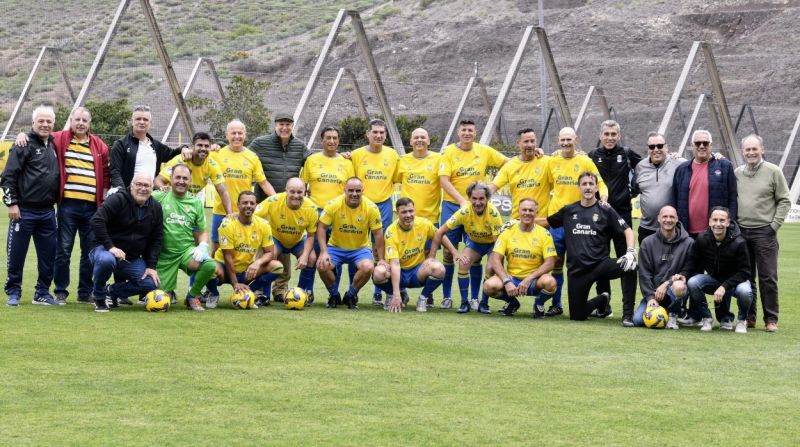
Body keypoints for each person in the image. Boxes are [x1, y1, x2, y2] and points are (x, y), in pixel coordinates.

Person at [14, 107, 111, 305]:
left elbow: (106, 176)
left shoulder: (99, 145)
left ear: (89, 123)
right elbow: (39, 133)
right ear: (71, 121)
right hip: (68, 205)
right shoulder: (59, 138)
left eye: (85, 120)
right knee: (64, 249)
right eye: (77, 119)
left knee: (88, 251)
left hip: (92, 207)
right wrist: (22, 133)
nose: (81, 123)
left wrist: (103, 201)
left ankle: (85, 292)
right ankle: (60, 291)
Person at [546, 172, 636, 322]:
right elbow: (548, 222)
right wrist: (520, 222)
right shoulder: (569, 210)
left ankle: (628, 315)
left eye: (591, 184)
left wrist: (631, 252)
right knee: (577, 316)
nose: (588, 187)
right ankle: (602, 299)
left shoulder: (605, 209)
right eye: (584, 184)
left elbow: (628, 230)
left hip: (601, 265)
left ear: (596, 188)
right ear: (579, 188)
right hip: (578, 271)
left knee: (631, 267)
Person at [538, 127, 608, 318]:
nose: (566, 143)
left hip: (580, 221)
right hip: (559, 221)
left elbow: (599, 182)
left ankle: (601, 301)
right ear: (558, 140)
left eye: (569, 139)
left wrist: (603, 199)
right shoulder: (552, 161)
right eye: (563, 140)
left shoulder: (585, 161)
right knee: (556, 263)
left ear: (575, 140)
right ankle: (557, 304)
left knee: (584, 263)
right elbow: (542, 182)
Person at [438, 119, 507, 309]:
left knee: (473, 256)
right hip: (454, 206)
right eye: (464, 130)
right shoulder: (449, 152)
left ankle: (475, 298)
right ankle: (446, 297)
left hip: (476, 208)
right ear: (458, 133)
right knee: (447, 252)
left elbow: (509, 164)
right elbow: (443, 180)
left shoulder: (484, 151)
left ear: (475, 133)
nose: (467, 133)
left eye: (470, 130)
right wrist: (461, 200)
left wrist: (492, 187)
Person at [2, 106, 60, 306]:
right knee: (17, 254)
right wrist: (12, 204)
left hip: (47, 212)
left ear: (53, 124)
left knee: (49, 256)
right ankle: (13, 292)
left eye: (48, 121)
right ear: (33, 123)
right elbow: (8, 177)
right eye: (41, 121)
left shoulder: (54, 144)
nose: (45, 124)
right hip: (24, 211)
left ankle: (42, 293)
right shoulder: (23, 144)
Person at [250, 112, 310, 303]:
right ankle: (260, 291)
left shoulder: (299, 146)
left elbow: (315, 163)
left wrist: (342, 157)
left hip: (291, 204)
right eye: (281, 124)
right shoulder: (260, 143)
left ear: (293, 126)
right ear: (275, 125)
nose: (284, 128)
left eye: (288, 125)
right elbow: (243, 154)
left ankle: (280, 289)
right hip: (265, 205)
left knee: (285, 245)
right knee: (269, 250)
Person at [734, 134, 790, 332]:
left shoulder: (773, 171)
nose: (751, 153)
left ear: (762, 150)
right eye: (747, 150)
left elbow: (784, 200)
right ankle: (749, 317)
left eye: (754, 149)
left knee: (768, 278)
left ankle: (771, 319)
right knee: (746, 278)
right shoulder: (738, 172)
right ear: (743, 152)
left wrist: (773, 226)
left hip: (764, 232)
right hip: (742, 232)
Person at [88, 174, 162, 312]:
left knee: (150, 283)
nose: (142, 188)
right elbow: (96, 220)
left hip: (130, 258)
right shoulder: (118, 199)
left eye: (146, 185)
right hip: (104, 250)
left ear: (152, 188)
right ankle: (99, 297)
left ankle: (110, 291)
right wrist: (111, 247)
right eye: (139, 184)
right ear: (131, 185)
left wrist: (151, 266)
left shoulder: (156, 208)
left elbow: (156, 239)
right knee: (106, 260)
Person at [588, 120, 642, 304]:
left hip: (622, 214)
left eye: (613, 134)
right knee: (599, 260)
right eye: (607, 134)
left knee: (627, 260)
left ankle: (628, 307)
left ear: (618, 136)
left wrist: (633, 190)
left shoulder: (626, 154)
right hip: (599, 216)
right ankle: (604, 303)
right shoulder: (592, 155)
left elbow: (646, 167)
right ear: (600, 136)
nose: (610, 138)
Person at [430, 181, 503, 313]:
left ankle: (483, 303)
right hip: (475, 242)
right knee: (463, 263)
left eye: (481, 198)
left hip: (492, 244)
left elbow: (498, 244)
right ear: (469, 198)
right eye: (474, 198)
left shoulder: (493, 214)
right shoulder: (463, 212)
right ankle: (464, 303)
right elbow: (439, 232)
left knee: (491, 267)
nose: (478, 202)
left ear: (487, 198)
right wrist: (435, 257)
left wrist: (498, 264)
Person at [152, 164, 217, 311]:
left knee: (210, 265)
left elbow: (202, 231)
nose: (181, 181)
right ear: (171, 179)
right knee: (162, 302)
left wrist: (202, 246)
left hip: (185, 252)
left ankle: (192, 297)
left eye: (185, 178)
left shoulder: (195, 203)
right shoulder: (158, 197)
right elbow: (137, 198)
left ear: (190, 181)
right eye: (178, 177)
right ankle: (167, 291)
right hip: (164, 256)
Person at [350, 119, 400, 306]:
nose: (378, 136)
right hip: (360, 205)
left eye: (382, 133)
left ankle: (381, 291)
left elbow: (396, 179)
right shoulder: (356, 155)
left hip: (384, 205)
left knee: (382, 248)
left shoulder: (393, 154)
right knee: (356, 246)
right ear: (367, 134)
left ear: (386, 135)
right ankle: (352, 291)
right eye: (375, 132)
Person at [372, 198, 453, 313]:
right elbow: (395, 264)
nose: (408, 215)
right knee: (378, 272)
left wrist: (449, 253)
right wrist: (396, 294)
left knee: (439, 269)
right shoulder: (391, 232)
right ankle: (392, 296)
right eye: (404, 212)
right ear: (397, 213)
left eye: (411, 211)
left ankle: (423, 298)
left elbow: (439, 234)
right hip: (399, 273)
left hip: (417, 272)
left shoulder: (423, 224)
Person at [208, 120, 276, 255]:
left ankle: (239, 276)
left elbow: (263, 182)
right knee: (216, 249)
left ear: (245, 135)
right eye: (233, 133)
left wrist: (278, 199)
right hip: (221, 211)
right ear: (227, 135)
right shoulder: (216, 154)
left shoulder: (252, 157)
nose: (237, 136)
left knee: (241, 250)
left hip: (244, 213)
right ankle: (216, 276)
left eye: (240, 133)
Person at [205, 191, 283, 307]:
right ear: (238, 205)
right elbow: (228, 257)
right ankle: (213, 293)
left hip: (246, 270)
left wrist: (258, 263)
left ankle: (248, 292)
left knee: (277, 266)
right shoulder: (227, 224)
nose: (249, 206)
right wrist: (235, 283)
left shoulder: (263, 225)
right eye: (245, 202)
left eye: (252, 203)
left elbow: (270, 253)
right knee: (208, 267)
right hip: (224, 268)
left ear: (256, 205)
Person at [316, 177, 384, 310]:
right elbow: (321, 227)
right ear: (344, 190)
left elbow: (378, 234)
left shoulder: (371, 208)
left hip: (360, 249)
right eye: (351, 190)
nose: (354, 194)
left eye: (358, 191)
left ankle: (351, 295)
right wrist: (323, 252)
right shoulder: (333, 204)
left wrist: (381, 259)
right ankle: (334, 295)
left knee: (368, 267)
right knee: (322, 264)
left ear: (363, 191)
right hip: (336, 247)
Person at [681, 207, 752, 333]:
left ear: (728, 222)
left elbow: (745, 272)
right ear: (709, 222)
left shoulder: (739, 242)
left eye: (722, 220)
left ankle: (742, 321)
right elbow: (692, 260)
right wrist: (684, 275)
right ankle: (707, 317)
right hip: (714, 280)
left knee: (745, 291)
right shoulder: (702, 238)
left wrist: (724, 286)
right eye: (715, 220)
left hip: (735, 282)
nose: (718, 224)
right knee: (693, 282)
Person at [483, 198, 557, 317]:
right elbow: (495, 259)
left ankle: (538, 304)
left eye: (531, 210)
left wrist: (529, 279)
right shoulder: (507, 232)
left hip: (534, 280)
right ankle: (512, 303)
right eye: (524, 210)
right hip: (512, 279)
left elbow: (550, 262)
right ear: (519, 211)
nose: (527, 213)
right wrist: (506, 281)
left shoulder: (544, 234)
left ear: (536, 213)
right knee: (489, 286)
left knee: (550, 283)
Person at [254, 177, 318, 305]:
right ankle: (262, 294)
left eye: (300, 192)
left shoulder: (311, 208)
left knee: (311, 258)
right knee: (269, 256)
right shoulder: (274, 200)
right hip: (276, 238)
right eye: (292, 192)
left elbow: (311, 236)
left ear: (305, 192)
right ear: (286, 191)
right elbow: (253, 215)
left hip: (297, 241)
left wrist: (304, 256)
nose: (296, 195)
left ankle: (304, 292)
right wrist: (236, 215)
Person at [633, 206, 693, 329]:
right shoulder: (647, 243)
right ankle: (668, 312)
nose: (668, 220)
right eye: (665, 216)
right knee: (638, 320)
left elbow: (687, 272)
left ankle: (674, 314)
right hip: (655, 294)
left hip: (674, 291)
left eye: (672, 217)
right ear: (659, 219)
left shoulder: (689, 243)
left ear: (677, 219)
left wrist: (667, 284)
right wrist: (650, 297)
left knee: (679, 286)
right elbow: (644, 274)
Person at [673, 129, 738, 238]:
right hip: (687, 233)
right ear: (692, 145)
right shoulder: (682, 169)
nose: (702, 146)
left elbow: (732, 198)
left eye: (705, 143)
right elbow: (675, 199)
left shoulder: (725, 166)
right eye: (698, 143)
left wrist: (730, 224)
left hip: (715, 232)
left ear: (711, 145)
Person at [109, 105, 187, 191]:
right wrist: (122, 193)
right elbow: (115, 172)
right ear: (132, 122)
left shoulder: (156, 146)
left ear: (150, 124)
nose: (142, 122)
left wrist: (184, 148)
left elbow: (172, 154)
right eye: (138, 119)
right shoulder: (120, 145)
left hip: (150, 197)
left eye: (145, 119)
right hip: (128, 196)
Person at [155, 131, 233, 216]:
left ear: (210, 148)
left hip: (189, 205)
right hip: (171, 203)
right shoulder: (180, 160)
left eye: (206, 146)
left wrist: (230, 214)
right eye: (200, 145)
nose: (203, 148)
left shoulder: (212, 165)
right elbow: (158, 180)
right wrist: (166, 191)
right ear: (192, 147)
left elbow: (223, 191)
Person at [633, 132, 686, 244]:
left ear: (666, 147)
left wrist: (714, 156)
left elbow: (700, 162)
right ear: (648, 149)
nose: (656, 149)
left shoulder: (679, 163)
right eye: (652, 146)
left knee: (672, 261)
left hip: (671, 227)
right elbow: (635, 189)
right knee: (646, 261)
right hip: (646, 228)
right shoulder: (640, 167)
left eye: (660, 146)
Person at [491, 128, 552, 221]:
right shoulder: (510, 165)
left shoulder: (547, 162)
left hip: (541, 222)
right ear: (518, 143)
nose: (530, 145)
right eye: (526, 141)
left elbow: (564, 164)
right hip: (518, 222)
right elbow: (493, 187)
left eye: (532, 141)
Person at [394, 128, 442, 224]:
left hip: (430, 218)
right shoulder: (403, 160)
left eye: (423, 137)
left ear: (428, 141)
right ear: (411, 142)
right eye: (416, 138)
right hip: (407, 217)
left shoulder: (439, 159)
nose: (419, 140)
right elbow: (395, 181)